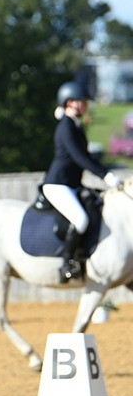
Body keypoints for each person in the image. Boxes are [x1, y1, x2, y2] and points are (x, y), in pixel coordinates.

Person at [41, 80, 122, 282]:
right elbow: (80, 158)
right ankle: (67, 264)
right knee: (80, 219)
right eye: (83, 101)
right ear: (70, 102)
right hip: (58, 185)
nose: (86, 104)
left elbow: (86, 156)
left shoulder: (75, 126)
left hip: (72, 184)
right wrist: (106, 175)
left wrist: (105, 171)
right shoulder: (66, 127)